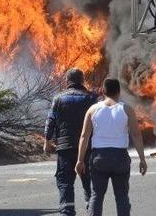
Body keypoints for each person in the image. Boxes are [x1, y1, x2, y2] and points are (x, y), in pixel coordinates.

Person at [75, 78, 147, 216]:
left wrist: (80, 160)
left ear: (103, 91)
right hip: (120, 157)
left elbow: (84, 136)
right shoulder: (126, 109)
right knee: (121, 196)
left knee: (96, 195)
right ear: (119, 92)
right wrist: (142, 159)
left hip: (99, 157)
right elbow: (136, 135)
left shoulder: (93, 109)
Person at [44, 68, 98, 216]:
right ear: (82, 81)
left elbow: (51, 120)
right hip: (87, 147)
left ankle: (67, 212)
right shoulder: (91, 98)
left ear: (67, 81)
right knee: (89, 181)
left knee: (65, 181)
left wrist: (47, 140)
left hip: (65, 146)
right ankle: (92, 210)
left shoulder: (58, 98)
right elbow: (98, 122)